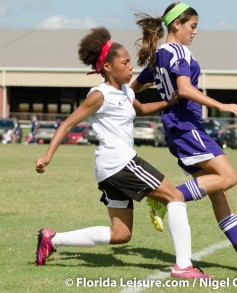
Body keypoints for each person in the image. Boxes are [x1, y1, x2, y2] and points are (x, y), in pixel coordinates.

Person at [35, 27, 212, 279]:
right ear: (108, 67)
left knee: (120, 234)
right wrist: (47, 157)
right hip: (120, 163)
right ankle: (183, 266)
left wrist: (169, 102)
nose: (131, 68)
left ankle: (53, 240)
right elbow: (68, 123)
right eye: (125, 62)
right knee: (175, 197)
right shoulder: (100, 95)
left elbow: (140, 109)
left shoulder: (127, 92)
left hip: (109, 169)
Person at [131, 2, 237, 257]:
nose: (195, 32)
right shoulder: (179, 52)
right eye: (192, 26)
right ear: (177, 24)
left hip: (178, 131)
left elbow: (132, 88)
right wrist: (222, 105)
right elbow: (184, 89)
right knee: (229, 177)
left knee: (220, 193)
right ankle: (165, 197)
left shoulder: (160, 55)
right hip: (187, 128)